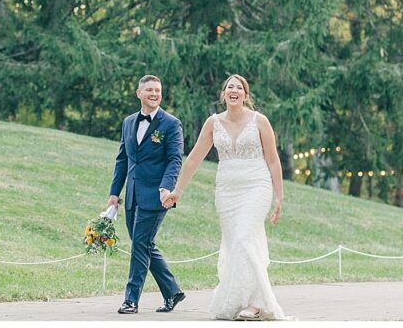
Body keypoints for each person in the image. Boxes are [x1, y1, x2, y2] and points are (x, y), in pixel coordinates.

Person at [161, 74, 287, 320]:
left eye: (239, 88)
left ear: (245, 95)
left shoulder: (260, 121)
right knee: (237, 244)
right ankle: (243, 299)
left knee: (243, 238)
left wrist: (279, 197)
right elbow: (195, 157)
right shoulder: (213, 123)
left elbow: (273, 159)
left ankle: (256, 303)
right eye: (230, 87)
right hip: (227, 191)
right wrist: (178, 190)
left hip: (256, 186)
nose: (234, 90)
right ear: (223, 94)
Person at [107, 74, 186, 314]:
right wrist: (114, 193)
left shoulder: (171, 123)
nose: (154, 94)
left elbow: (175, 159)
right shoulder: (129, 122)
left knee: (140, 244)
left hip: (157, 196)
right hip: (132, 194)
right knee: (143, 244)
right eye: (149, 90)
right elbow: (123, 159)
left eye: (158, 90)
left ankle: (131, 300)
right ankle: (173, 292)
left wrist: (167, 187)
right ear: (139, 93)